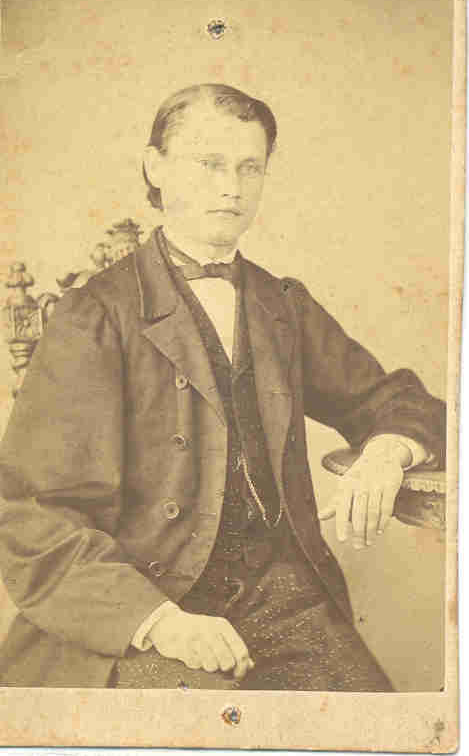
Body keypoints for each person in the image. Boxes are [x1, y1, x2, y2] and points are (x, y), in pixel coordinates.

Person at [0, 83, 445, 690]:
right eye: (209, 164)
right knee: (201, 721)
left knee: (369, 713)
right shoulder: (95, 314)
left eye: (249, 167)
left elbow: (398, 399)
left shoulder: (281, 304)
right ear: (156, 168)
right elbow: (33, 515)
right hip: (145, 601)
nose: (232, 187)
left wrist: (388, 452)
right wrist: (158, 622)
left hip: (279, 600)